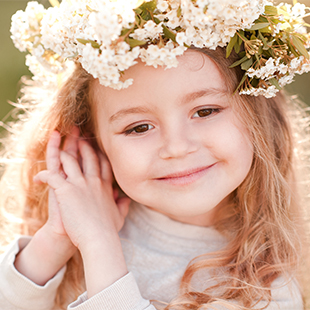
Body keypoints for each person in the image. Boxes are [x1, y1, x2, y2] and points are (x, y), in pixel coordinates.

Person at [0, 0, 309, 309]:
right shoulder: (76, 231)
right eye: (139, 127)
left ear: (259, 116)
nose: (177, 147)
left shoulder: (267, 290)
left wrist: (99, 245)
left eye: (204, 111)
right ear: (93, 143)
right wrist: (53, 243)